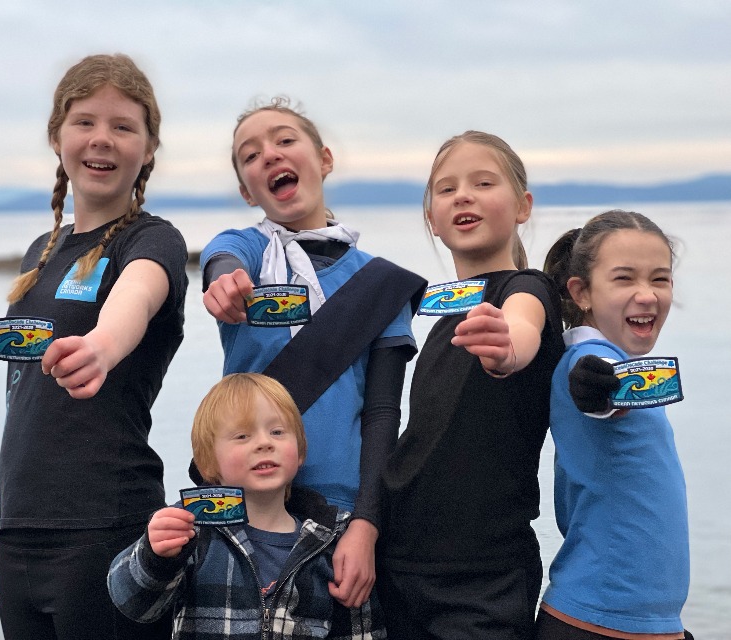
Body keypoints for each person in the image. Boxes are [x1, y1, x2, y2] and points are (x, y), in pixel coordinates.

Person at [0, 53, 188, 639]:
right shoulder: (41, 253)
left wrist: (102, 348)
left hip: (106, 530)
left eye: (123, 126)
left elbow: (134, 299)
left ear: (149, 147)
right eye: (85, 121)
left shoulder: (153, 240)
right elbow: (23, 409)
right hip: (20, 536)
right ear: (57, 136)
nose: (101, 139)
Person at [199, 97, 425, 608]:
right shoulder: (250, 252)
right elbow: (222, 253)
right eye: (251, 155)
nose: (270, 156)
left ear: (323, 158)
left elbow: (383, 414)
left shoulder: (380, 283)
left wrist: (366, 524)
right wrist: (224, 281)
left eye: (284, 140)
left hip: (340, 511)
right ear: (245, 189)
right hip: (242, 507)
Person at [378, 131, 565, 639]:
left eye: (484, 182)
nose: (463, 195)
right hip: (399, 560)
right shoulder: (443, 319)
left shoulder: (526, 290)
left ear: (523, 206)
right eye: (446, 189)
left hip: (483, 574)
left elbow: (521, 332)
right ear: (433, 222)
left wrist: (506, 349)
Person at [108, 372, 387, 639]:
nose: (264, 443)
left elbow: (362, 631)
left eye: (277, 432)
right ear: (208, 463)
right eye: (242, 436)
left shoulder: (332, 542)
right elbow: (133, 604)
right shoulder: (189, 528)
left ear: (300, 451)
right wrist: (156, 558)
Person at [536, 210, 690, 639]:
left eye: (659, 279)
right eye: (625, 279)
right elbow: (595, 387)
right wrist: (597, 387)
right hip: (594, 619)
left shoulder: (629, 364)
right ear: (581, 292)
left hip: (645, 623)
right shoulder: (587, 362)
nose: (647, 295)